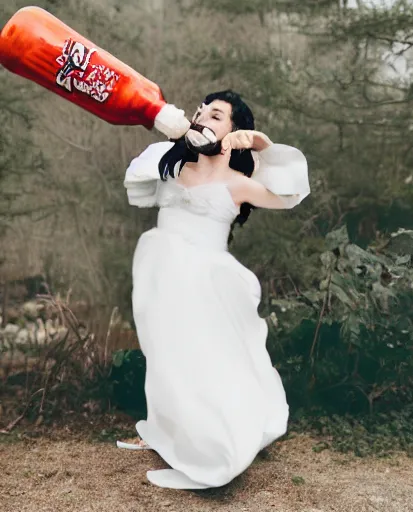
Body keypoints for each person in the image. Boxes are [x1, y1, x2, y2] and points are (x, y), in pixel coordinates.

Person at [117, 90, 310, 489]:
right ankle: (164, 431)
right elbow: (135, 180)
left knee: (205, 361)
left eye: (217, 115)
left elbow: (291, 191)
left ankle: (215, 442)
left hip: (206, 282)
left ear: (234, 130)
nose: (203, 116)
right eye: (201, 111)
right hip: (162, 272)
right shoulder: (169, 165)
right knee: (165, 357)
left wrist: (260, 143)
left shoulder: (239, 184)